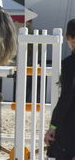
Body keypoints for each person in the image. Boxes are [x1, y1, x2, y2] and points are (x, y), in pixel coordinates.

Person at [45, 18, 75, 159]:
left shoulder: (69, 64)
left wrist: (53, 126)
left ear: (68, 37)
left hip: (70, 125)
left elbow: (66, 97)